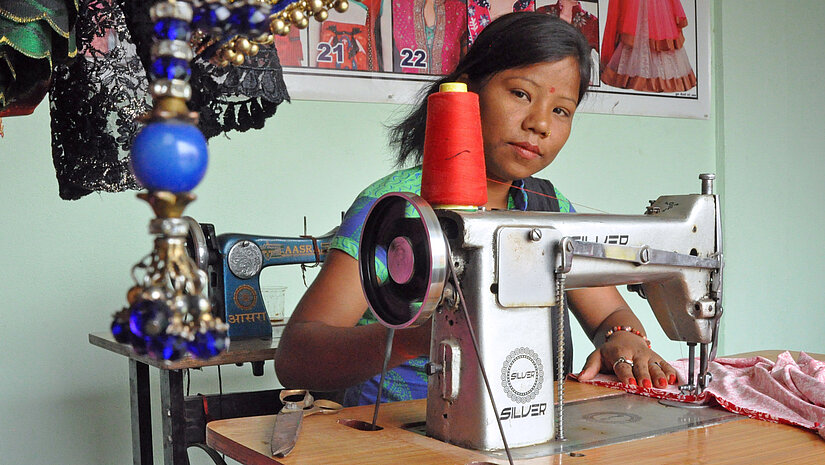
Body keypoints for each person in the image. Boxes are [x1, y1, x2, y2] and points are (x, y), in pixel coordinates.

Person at [274, 12, 678, 406]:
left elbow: (609, 314)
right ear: (466, 94)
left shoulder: (544, 208)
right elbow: (297, 358)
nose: (540, 123)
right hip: (399, 432)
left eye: (561, 110)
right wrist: (423, 336)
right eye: (521, 93)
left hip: (517, 418)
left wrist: (623, 339)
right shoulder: (397, 210)